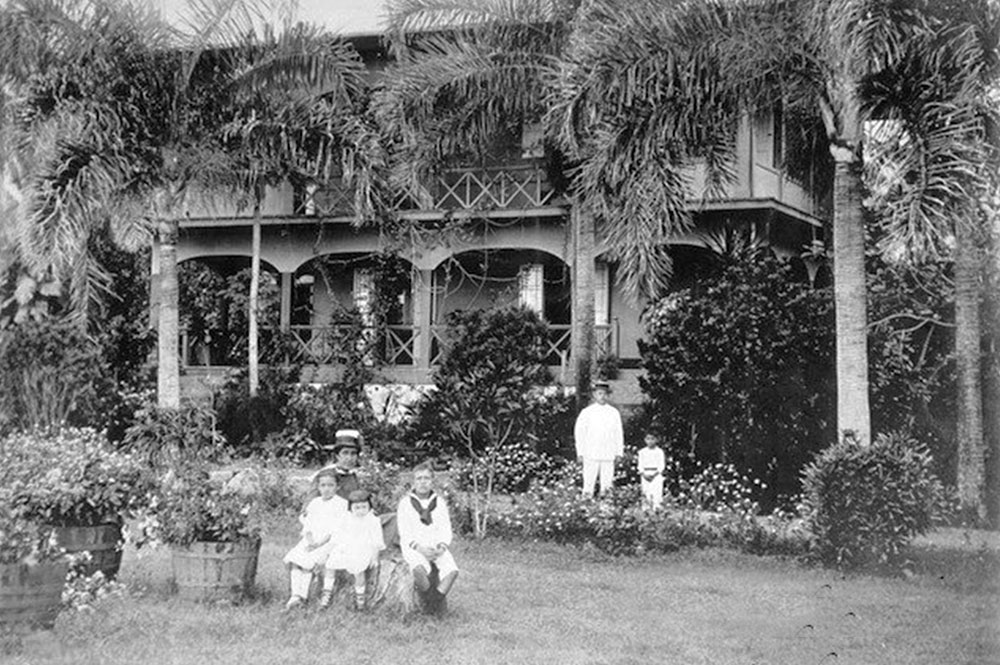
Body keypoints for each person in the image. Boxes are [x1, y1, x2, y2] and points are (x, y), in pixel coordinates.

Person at [282, 468, 347, 610]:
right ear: (318, 487)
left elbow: (335, 530)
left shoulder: (341, 504)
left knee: (308, 563)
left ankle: (303, 596)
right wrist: (310, 540)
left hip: (327, 542)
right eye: (323, 486)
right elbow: (308, 524)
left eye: (330, 485)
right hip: (311, 539)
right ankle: (295, 595)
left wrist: (318, 544)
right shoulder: (315, 503)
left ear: (337, 487)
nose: (327, 489)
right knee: (295, 561)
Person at [397, 463, 457, 613]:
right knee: (418, 569)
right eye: (419, 478)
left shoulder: (440, 504)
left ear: (432, 481)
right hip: (415, 546)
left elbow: (445, 529)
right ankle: (428, 598)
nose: (423, 482)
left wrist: (441, 547)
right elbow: (404, 532)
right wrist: (420, 548)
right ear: (414, 482)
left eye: (427, 478)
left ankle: (433, 601)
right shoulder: (405, 504)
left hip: (436, 547)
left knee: (452, 571)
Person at [321, 489, 386, 610]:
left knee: (358, 570)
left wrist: (374, 556)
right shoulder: (346, 518)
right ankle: (326, 595)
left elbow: (377, 540)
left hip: (363, 548)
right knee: (330, 565)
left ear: (369, 507)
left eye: (364, 507)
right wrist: (328, 551)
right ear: (350, 508)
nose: (361, 511)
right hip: (345, 547)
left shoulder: (373, 520)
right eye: (357, 508)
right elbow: (337, 536)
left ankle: (360, 599)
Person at [574, 380, 624, 497]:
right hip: (591, 453)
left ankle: (606, 509)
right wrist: (580, 452)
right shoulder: (587, 412)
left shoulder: (613, 412)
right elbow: (579, 433)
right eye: (600, 393)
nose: (602, 396)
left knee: (607, 484)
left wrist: (619, 453)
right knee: (588, 483)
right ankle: (585, 508)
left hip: (608, 453)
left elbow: (618, 433)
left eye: (605, 394)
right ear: (594, 395)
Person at [322, 429, 363, 500]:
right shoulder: (326, 475)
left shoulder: (353, 476)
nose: (349, 458)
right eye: (345, 453)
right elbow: (310, 505)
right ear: (337, 455)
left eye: (353, 453)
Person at [637, 432, 666, 510]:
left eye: (652, 439)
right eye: (648, 439)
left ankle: (656, 510)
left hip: (656, 475)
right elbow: (640, 465)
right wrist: (643, 474)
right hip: (645, 474)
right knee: (646, 493)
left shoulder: (659, 452)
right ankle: (646, 510)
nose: (650, 441)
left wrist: (654, 475)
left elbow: (661, 466)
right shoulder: (642, 452)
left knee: (656, 493)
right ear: (645, 440)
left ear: (656, 440)